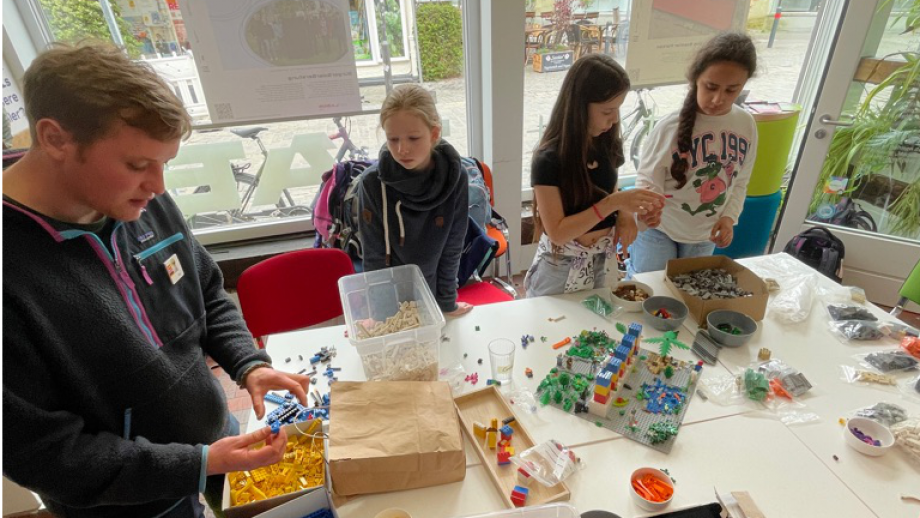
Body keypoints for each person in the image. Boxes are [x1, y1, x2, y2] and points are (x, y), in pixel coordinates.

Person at [2, 44, 310, 518]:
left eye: (164, 162)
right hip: (129, 502)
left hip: (214, 435)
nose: (160, 186)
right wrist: (196, 463)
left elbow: (206, 290)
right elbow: (45, 454)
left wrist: (247, 362)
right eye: (137, 164)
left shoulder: (138, 199)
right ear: (56, 139)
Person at [524, 54, 665, 297]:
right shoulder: (548, 159)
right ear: (579, 106)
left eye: (618, 109)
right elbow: (558, 232)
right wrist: (615, 204)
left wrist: (627, 213)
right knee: (550, 329)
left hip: (603, 258)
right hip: (560, 265)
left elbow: (610, 188)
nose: (614, 119)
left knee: (598, 327)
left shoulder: (606, 142)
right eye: (607, 111)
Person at [627, 32, 758, 277]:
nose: (719, 99)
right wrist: (647, 214)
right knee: (648, 291)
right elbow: (647, 180)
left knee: (688, 295)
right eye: (711, 87)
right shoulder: (669, 127)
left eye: (732, 90)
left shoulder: (746, 124)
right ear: (696, 79)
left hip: (704, 233)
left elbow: (740, 181)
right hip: (659, 230)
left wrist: (729, 218)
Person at [357, 84, 472, 316]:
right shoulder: (371, 184)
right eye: (393, 139)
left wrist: (447, 303)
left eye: (413, 138)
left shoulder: (456, 177)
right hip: (388, 295)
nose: (402, 149)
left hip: (431, 291)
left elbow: (452, 247)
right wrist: (380, 317)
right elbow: (374, 257)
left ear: (434, 134)